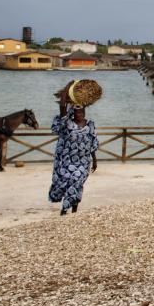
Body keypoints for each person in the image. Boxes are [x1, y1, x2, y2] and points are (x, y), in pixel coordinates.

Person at [49, 83, 99, 215]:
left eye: (82, 112)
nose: (80, 114)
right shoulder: (67, 124)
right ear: (73, 113)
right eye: (77, 112)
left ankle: (69, 209)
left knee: (77, 181)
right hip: (67, 161)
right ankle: (67, 210)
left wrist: (94, 160)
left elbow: (93, 142)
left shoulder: (90, 124)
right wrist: (68, 88)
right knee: (71, 182)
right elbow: (62, 107)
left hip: (84, 161)